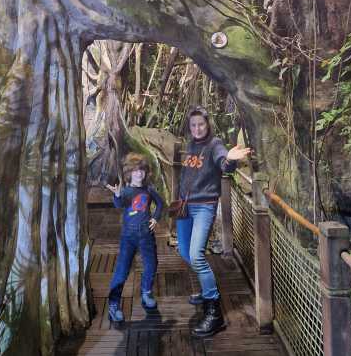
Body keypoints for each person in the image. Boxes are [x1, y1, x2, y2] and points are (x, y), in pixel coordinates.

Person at [177, 106, 252, 338]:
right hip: (184, 206)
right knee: (185, 252)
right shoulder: (191, 145)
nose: (197, 128)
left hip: (203, 207)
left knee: (197, 255)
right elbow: (188, 175)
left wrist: (230, 160)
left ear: (207, 124)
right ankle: (205, 285)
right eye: (193, 125)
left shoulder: (215, 144)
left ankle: (214, 311)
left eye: (201, 124)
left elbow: (223, 163)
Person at [106, 153, 164, 323]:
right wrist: (117, 195)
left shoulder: (149, 189)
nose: (139, 174)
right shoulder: (125, 191)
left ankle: (146, 292)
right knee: (122, 271)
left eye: (142, 170)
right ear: (129, 173)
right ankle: (114, 304)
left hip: (146, 234)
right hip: (128, 236)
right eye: (135, 171)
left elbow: (160, 204)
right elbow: (119, 205)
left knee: (152, 264)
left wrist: (155, 217)